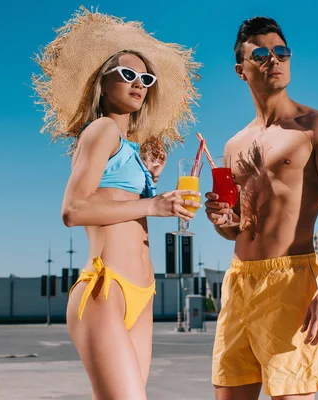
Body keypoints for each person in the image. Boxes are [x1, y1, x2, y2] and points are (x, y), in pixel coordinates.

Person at [32, 7, 200, 399]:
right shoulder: (102, 129)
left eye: (145, 77)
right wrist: (153, 204)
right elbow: (74, 210)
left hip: (142, 293)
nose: (138, 83)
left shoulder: (130, 150)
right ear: (102, 84)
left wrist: (149, 181)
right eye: (127, 74)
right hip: (107, 291)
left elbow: (114, 203)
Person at [205, 16, 318, 399]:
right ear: (241, 70)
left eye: (281, 51)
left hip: (292, 281)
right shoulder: (234, 145)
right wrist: (222, 221)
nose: (273, 59)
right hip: (239, 281)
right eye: (260, 53)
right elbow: (237, 226)